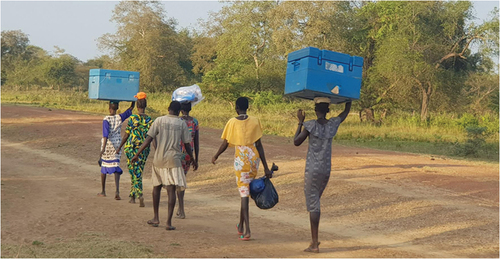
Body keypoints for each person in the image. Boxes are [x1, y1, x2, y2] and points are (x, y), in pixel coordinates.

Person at [293, 97, 351, 253]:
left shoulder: (310, 125)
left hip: (313, 169)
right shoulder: (332, 124)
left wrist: (300, 122)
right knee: (316, 200)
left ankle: (314, 243)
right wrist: (348, 99)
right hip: (326, 169)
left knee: (313, 204)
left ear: (315, 110)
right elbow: (345, 113)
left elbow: (296, 142)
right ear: (328, 110)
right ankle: (314, 241)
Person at [212, 97, 272, 241]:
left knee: (244, 193)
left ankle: (247, 230)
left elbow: (225, 144)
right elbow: (259, 145)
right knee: (244, 191)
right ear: (247, 107)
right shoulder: (255, 121)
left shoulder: (232, 122)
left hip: (241, 160)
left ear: (236, 108)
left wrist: (216, 156)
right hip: (253, 159)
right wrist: (266, 167)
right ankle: (240, 226)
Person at [131, 101, 198, 230]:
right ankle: (168, 222)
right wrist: (193, 159)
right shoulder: (181, 123)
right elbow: (188, 145)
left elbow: (149, 139)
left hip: (159, 159)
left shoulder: (159, 120)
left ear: (168, 109)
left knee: (156, 187)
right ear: (179, 111)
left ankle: (156, 218)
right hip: (174, 160)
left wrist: (137, 153)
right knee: (171, 190)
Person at [116, 92, 153, 207]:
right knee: (138, 170)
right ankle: (132, 195)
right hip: (144, 149)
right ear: (145, 105)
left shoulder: (133, 118)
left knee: (133, 171)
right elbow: (150, 137)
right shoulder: (150, 120)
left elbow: (126, 135)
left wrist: (120, 147)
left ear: (137, 106)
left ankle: (139, 194)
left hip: (131, 148)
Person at [98, 101, 135, 200]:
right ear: (117, 108)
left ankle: (103, 190)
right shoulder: (119, 117)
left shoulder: (106, 119)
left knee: (104, 167)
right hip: (117, 145)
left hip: (109, 145)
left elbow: (105, 135)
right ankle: (117, 191)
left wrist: (103, 149)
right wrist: (133, 101)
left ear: (109, 108)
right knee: (115, 166)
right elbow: (129, 110)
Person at [176, 102, 200, 219]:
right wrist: (196, 159)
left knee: (178, 182)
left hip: (177, 154)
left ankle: (181, 209)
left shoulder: (178, 121)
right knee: (182, 180)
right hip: (188, 156)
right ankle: (180, 208)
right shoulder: (194, 122)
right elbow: (196, 142)